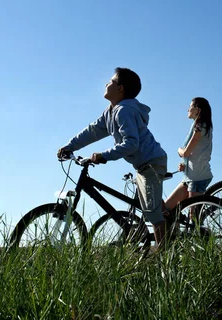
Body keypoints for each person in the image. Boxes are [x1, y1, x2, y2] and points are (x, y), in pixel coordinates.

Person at [57, 67, 168, 248]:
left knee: (151, 213)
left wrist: (103, 156)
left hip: (152, 163)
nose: (106, 83)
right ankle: (171, 226)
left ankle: (166, 260)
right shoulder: (111, 111)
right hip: (143, 165)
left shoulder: (124, 111)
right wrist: (70, 146)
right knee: (153, 207)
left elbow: (131, 143)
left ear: (120, 88)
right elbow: (92, 131)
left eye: (111, 81)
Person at [164, 97, 213, 214]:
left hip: (198, 178)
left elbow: (186, 152)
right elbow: (195, 152)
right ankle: (174, 231)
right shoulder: (198, 125)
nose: (187, 109)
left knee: (194, 218)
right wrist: (185, 164)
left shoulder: (201, 126)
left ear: (197, 109)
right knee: (166, 209)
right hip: (190, 177)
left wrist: (179, 150)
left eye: (190, 107)